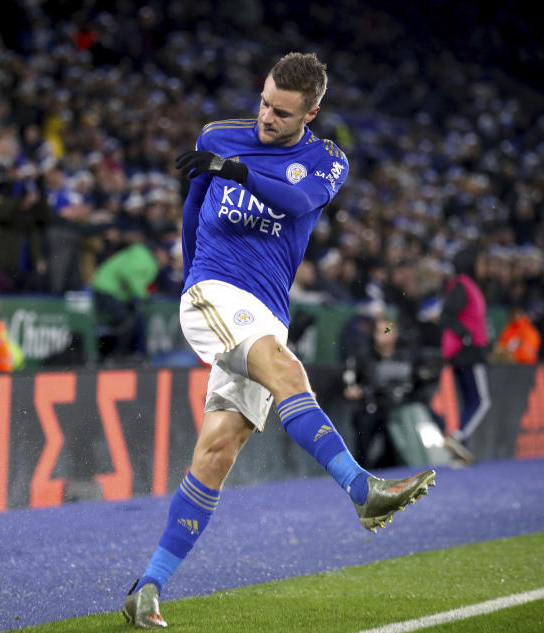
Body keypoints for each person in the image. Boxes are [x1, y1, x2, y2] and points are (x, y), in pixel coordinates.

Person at [124, 52, 436, 629]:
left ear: (310, 112)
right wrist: (194, 281)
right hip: (214, 292)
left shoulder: (326, 161)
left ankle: (148, 587)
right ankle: (359, 487)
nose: (266, 117)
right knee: (289, 373)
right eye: (265, 102)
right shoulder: (220, 135)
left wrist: (235, 171)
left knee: (216, 454)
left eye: (282, 112)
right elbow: (192, 211)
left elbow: (294, 202)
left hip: (267, 311)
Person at [440, 245, 491, 463]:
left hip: (464, 350)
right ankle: (458, 438)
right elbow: (447, 315)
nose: (483, 267)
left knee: (469, 402)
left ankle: (459, 455)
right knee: (481, 401)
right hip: (468, 351)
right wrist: (467, 335)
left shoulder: (463, 285)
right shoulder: (463, 285)